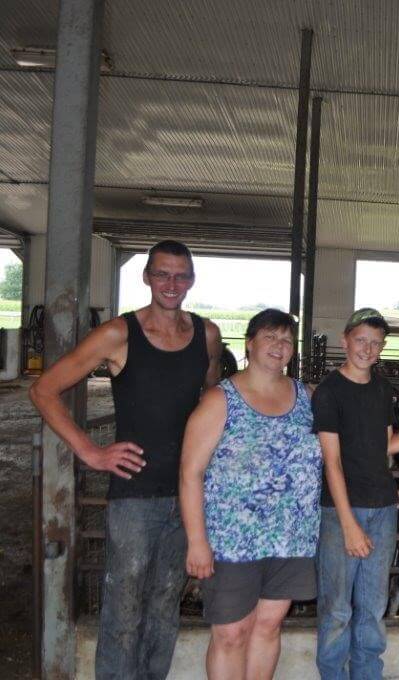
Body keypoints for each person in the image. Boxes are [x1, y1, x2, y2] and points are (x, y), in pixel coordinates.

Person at [29, 240, 221, 679]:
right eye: (163, 274)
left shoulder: (206, 335)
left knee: (166, 603)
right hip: (134, 494)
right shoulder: (119, 333)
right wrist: (90, 451)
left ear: (191, 280)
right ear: (147, 277)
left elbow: (211, 401)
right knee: (124, 608)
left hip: (188, 492)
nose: (172, 284)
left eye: (181, 275)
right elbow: (44, 390)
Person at [179, 309, 321, 679]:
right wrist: (197, 542)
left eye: (287, 340)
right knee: (230, 632)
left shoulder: (307, 397)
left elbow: (345, 447)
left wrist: (389, 485)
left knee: (269, 625)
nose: (279, 346)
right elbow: (190, 473)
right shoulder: (220, 400)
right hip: (231, 540)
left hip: (291, 536)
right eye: (270, 337)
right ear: (249, 343)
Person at [314, 308, 399, 680]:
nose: (367, 349)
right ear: (345, 341)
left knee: (372, 605)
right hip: (343, 512)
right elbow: (332, 462)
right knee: (338, 608)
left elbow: (387, 446)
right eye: (361, 341)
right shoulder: (329, 392)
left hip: (383, 508)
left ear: (382, 347)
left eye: (375, 343)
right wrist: (349, 523)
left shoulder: (383, 388)